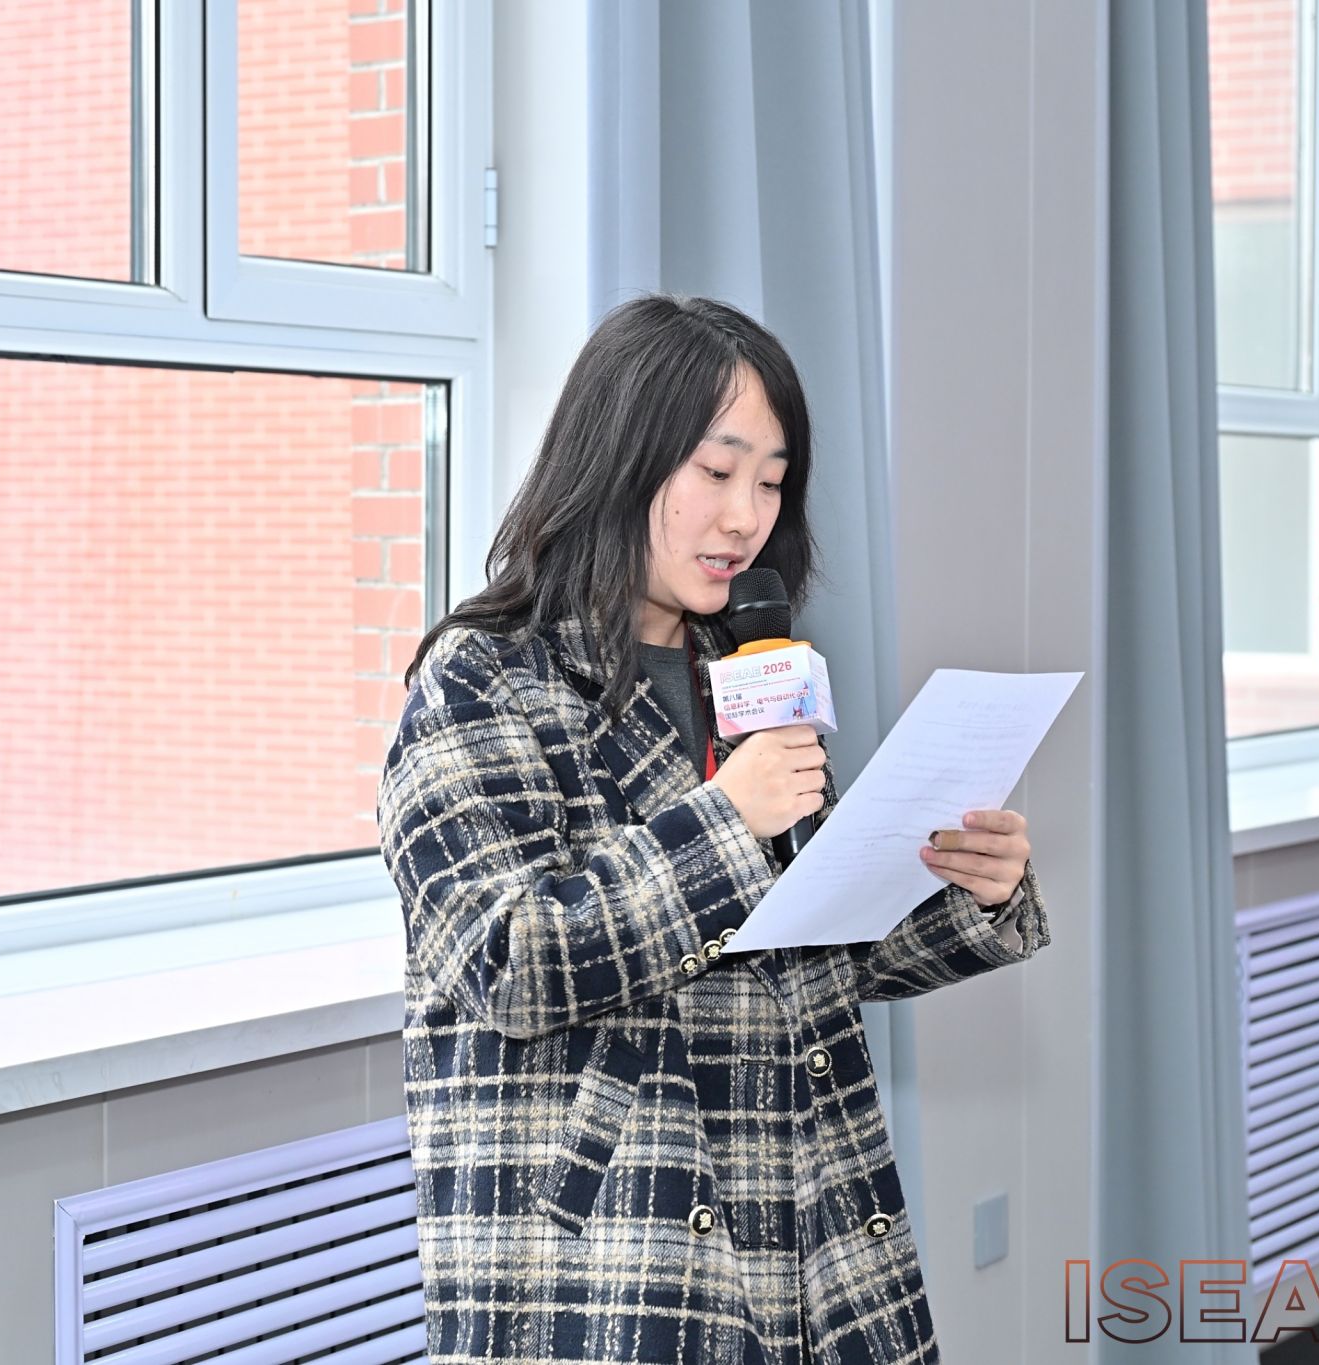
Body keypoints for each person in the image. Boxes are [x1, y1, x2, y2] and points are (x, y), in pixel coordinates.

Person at [377, 295, 1051, 1365]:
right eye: (717, 470)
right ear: (619, 460)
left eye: (771, 483)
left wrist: (967, 888)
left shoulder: (740, 673)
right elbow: (506, 959)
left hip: (809, 1218)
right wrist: (727, 817)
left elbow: (805, 949)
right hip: (610, 1254)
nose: (746, 517)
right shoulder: (480, 679)